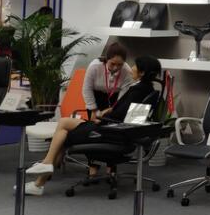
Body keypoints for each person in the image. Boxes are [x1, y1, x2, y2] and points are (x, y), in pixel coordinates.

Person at [23, 54, 163, 195]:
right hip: (116, 130)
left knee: (63, 133)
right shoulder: (147, 90)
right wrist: (109, 111)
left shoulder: (138, 90)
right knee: (64, 122)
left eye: (135, 66)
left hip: (111, 133)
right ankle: (45, 169)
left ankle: (42, 177)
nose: (131, 68)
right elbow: (128, 115)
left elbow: (122, 116)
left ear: (142, 72)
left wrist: (102, 117)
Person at [81, 42, 133, 117]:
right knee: (94, 122)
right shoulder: (94, 67)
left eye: (120, 65)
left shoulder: (127, 71)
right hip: (96, 97)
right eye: (112, 64)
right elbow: (87, 89)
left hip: (115, 98)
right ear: (107, 59)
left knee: (112, 121)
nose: (116, 68)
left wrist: (114, 109)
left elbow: (123, 96)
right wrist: (93, 109)